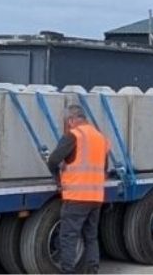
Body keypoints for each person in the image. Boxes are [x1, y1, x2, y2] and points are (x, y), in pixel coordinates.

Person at [46, 105, 109, 274]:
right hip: (96, 197)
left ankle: (68, 272)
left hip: (76, 196)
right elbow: (105, 167)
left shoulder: (74, 135)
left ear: (72, 120)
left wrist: (58, 179)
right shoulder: (101, 138)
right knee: (91, 237)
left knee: (68, 237)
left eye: (67, 122)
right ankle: (92, 271)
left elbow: (53, 160)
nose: (68, 126)